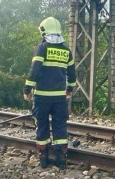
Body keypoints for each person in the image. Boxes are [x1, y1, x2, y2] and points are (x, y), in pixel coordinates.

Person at [23, 17, 76, 170]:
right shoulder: (66, 50)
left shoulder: (42, 48)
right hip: (59, 98)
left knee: (42, 126)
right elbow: (72, 75)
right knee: (60, 126)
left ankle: (44, 160)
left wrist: (27, 89)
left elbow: (35, 71)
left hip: (42, 98)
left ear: (43, 31)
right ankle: (61, 160)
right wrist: (69, 89)